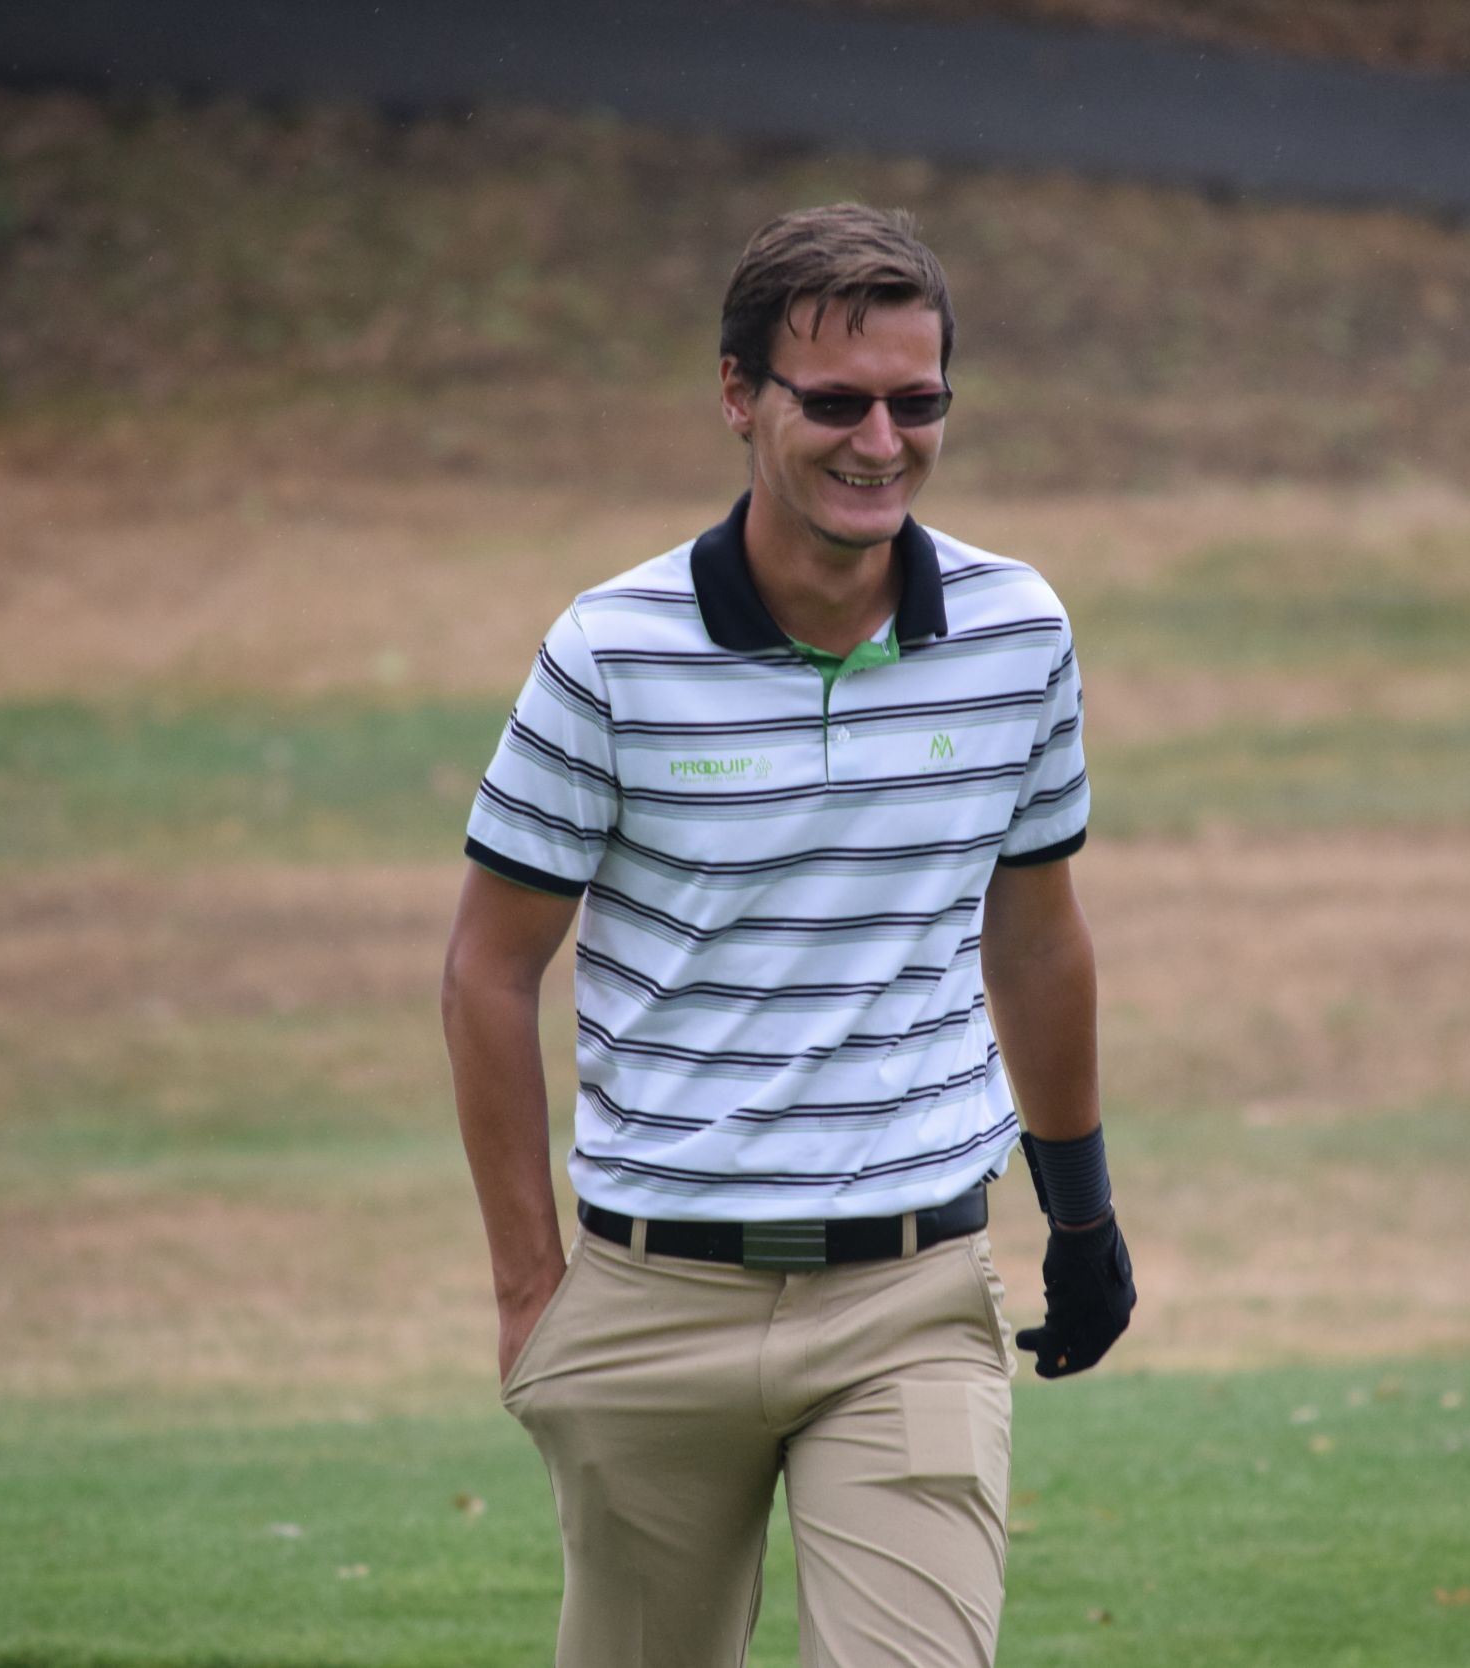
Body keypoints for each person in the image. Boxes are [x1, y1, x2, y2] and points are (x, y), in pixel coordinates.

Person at [440, 202, 1134, 1668]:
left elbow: (1035, 940)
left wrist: (1082, 1215)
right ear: (738, 395)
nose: (882, 441)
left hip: (910, 1295)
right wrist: (529, 1292)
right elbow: (490, 970)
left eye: (917, 403)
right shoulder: (609, 652)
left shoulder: (1017, 633)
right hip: (650, 1300)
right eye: (835, 403)